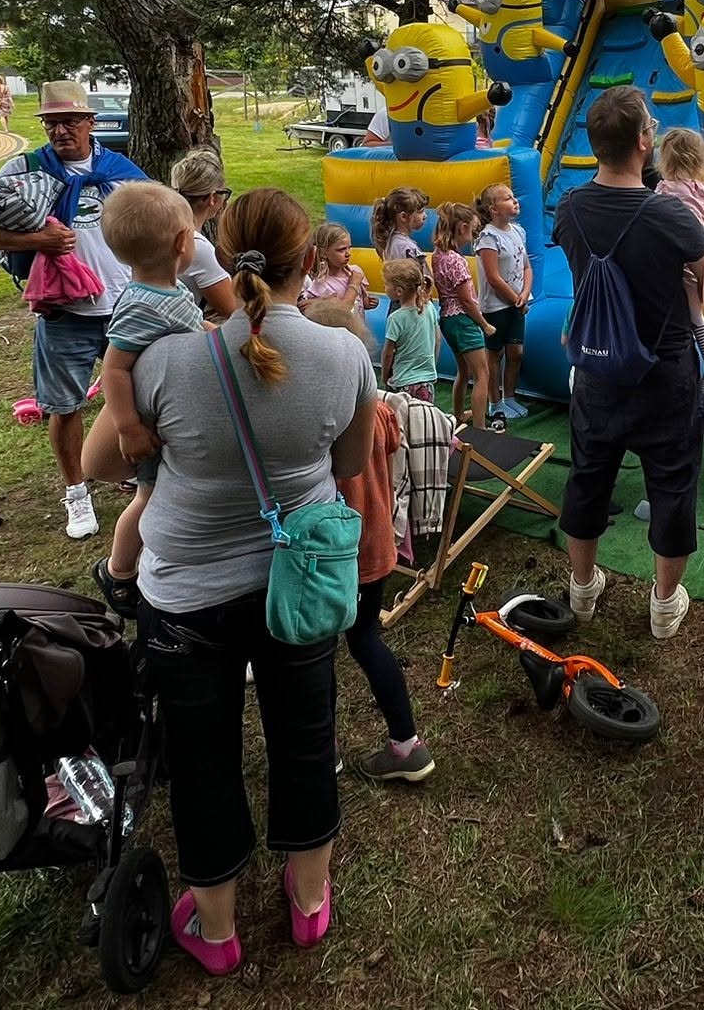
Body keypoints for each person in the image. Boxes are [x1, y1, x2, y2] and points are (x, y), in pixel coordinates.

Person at [80, 188, 377, 966]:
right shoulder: (344, 353)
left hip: (184, 593)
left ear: (213, 250)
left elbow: (98, 462)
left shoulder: (163, 359)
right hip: (299, 581)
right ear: (307, 262)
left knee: (201, 755)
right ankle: (308, 902)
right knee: (305, 737)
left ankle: (216, 930)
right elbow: (349, 463)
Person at [552, 87, 704, 641]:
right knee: (673, 485)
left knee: (588, 476)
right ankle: (664, 604)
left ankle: (582, 587)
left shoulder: (569, 207)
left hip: (597, 370)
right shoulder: (671, 214)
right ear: (644, 141)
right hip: (665, 372)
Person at [0, 80, 146, 541]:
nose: (60, 131)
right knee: (64, 406)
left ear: (89, 122)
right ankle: (76, 491)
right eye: (51, 123)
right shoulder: (25, 169)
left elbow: (154, 222)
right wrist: (37, 240)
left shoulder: (120, 170)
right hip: (65, 311)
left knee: (141, 396)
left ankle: (133, 470)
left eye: (69, 122)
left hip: (125, 306)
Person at [301, 300, 435, 783]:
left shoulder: (314, 415)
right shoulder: (378, 410)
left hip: (338, 550)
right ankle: (406, 744)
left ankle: (325, 748)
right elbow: (393, 445)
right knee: (365, 639)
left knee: (318, 651)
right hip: (376, 545)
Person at [90, 183, 208, 618]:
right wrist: (128, 428)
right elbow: (114, 368)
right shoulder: (143, 304)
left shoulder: (168, 293)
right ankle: (118, 572)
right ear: (181, 242)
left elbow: (193, 327)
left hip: (167, 418)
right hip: (148, 426)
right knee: (148, 497)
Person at [656, 127, 704, 391]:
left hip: (673, 263)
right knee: (695, 314)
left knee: (695, 316)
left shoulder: (662, 189)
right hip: (697, 258)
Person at [431, 202, 494, 429]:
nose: (474, 234)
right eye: (473, 229)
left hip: (447, 318)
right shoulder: (456, 260)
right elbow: (466, 300)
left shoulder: (438, 255)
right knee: (482, 374)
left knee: (464, 370)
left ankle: (458, 415)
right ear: (462, 228)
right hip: (462, 319)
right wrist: (484, 324)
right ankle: (480, 428)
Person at [475, 183, 532, 421]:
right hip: (496, 306)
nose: (515, 200)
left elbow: (526, 266)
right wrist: (516, 299)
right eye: (507, 198)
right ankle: (494, 402)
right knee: (495, 354)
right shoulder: (488, 237)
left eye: (513, 196)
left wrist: (525, 293)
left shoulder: (518, 231)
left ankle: (510, 397)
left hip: (517, 302)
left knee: (516, 351)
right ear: (494, 209)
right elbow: (494, 278)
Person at [166, 149, 239, 320]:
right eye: (224, 193)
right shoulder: (196, 246)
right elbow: (233, 309)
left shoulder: (161, 230)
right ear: (212, 198)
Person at [380, 259, 441, 402]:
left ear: (399, 290)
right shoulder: (429, 308)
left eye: (387, 284)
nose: (385, 287)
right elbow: (437, 339)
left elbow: (388, 353)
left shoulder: (396, 318)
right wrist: (432, 365)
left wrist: (384, 377)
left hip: (404, 382)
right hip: (427, 381)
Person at [301, 223, 375, 313]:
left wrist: (367, 302)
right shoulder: (321, 284)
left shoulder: (356, 271)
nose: (348, 254)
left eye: (349, 248)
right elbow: (342, 311)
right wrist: (354, 284)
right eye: (341, 250)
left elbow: (360, 301)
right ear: (324, 253)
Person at [370, 185, 430, 267]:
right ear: (403, 217)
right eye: (420, 212)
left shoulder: (393, 241)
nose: (425, 216)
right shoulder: (404, 247)